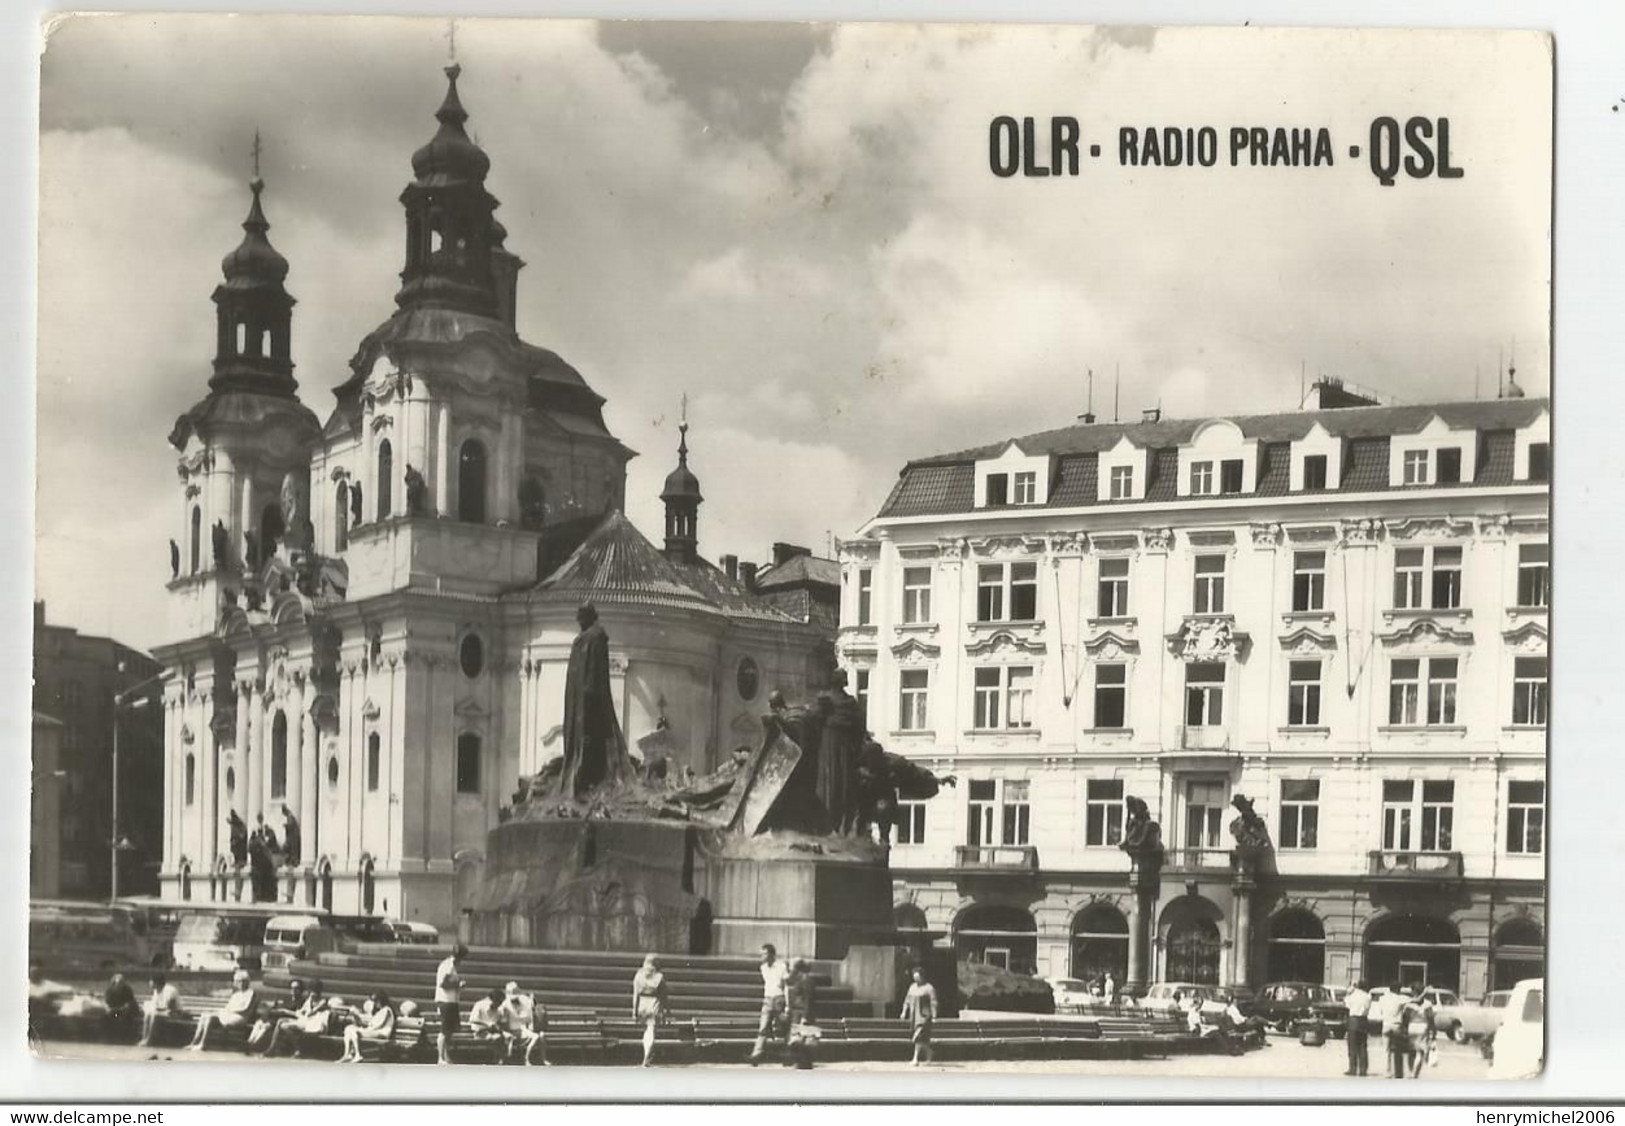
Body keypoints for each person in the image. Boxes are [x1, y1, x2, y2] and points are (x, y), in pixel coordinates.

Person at [187, 969, 259, 1050]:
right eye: (238, 981)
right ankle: (194, 1042)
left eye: (242, 981)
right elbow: (228, 1007)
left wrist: (229, 1011)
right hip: (230, 1015)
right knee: (206, 1016)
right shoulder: (236, 995)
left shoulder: (251, 993)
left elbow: (245, 1008)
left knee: (210, 1017)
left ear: (247, 982)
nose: (240, 983)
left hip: (240, 1017)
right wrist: (221, 1011)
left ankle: (203, 1044)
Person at [265, 978, 330, 1057]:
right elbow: (300, 1013)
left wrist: (302, 1011)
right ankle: (272, 1047)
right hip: (304, 1021)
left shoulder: (322, 1001)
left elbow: (310, 1013)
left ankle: (297, 1049)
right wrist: (286, 1011)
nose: (313, 994)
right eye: (311, 991)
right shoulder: (309, 1000)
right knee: (280, 1021)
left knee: (285, 1026)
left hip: (313, 1025)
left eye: (314, 991)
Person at [748, 944, 790, 1064]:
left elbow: (786, 986)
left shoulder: (781, 966)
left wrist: (787, 1004)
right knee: (763, 1027)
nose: (762, 956)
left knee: (784, 1028)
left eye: (764, 954)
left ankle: (788, 1054)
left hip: (778, 999)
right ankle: (756, 1054)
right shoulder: (763, 968)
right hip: (767, 999)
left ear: (771, 954)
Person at [632, 954, 670, 1068]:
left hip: (642, 1005)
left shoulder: (638, 976)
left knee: (646, 1031)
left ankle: (645, 1054)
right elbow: (664, 996)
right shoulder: (660, 977)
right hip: (655, 1004)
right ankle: (647, 1056)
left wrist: (634, 1011)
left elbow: (635, 995)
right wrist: (667, 1011)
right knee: (651, 1030)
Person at [498, 981, 549, 1066]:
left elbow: (530, 1016)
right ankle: (521, 1058)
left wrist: (528, 1025)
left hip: (524, 1029)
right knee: (534, 1036)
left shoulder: (525, 1000)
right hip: (513, 1030)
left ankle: (530, 1058)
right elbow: (503, 1022)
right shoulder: (505, 1004)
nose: (514, 1000)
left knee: (539, 1036)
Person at [338, 991, 396, 1062]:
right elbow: (369, 1024)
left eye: (376, 1001)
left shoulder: (387, 1010)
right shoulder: (379, 1011)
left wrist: (364, 1029)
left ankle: (357, 1054)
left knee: (354, 1031)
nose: (375, 1003)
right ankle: (347, 1054)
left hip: (381, 1033)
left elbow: (377, 1026)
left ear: (382, 1000)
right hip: (374, 1032)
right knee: (349, 1028)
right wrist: (356, 1016)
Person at [434, 943, 467, 1065]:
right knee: (444, 1030)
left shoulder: (450, 965)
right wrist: (458, 984)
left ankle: (445, 1056)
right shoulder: (448, 966)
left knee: (448, 1031)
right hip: (446, 1001)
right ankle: (440, 1057)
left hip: (451, 1001)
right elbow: (443, 984)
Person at [784, 958, 818, 1070]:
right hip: (797, 1013)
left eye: (792, 967)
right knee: (798, 1040)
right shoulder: (799, 979)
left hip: (802, 1014)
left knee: (803, 1040)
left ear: (797, 969)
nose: (790, 970)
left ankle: (804, 1064)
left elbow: (808, 1000)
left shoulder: (806, 980)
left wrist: (804, 1017)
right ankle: (800, 1063)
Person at [900, 966, 937, 1066]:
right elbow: (907, 1001)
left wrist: (934, 1016)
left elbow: (933, 1002)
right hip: (914, 1015)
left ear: (922, 976)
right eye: (914, 977)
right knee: (921, 1038)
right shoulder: (912, 987)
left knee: (918, 1036)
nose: (915, 979)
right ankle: (929, 1052)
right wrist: (904, 1012)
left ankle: (915, 1059)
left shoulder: (929, 988)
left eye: (917, 977)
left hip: (924, 1015)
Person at [1343, 979, 1372, 1076]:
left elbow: (1346, 1004)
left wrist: (1349, 992)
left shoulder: (1353, 996)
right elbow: (1368, 1008)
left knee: (1352, 1046)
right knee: (1363, 1046)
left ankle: (1353, 1068)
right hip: (1363, 1020)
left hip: (1353, 1020)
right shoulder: (1368, 996)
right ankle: (1363, 1069)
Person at [1383, 986, 1413, 1078]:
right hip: (1396, 1025)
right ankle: (1398, 1072)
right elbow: (1413, 1000)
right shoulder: (1400, 999)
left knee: (1386, 1050)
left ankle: (1387, 1072)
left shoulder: (1383, 998)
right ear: (1398, 989)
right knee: (1398, 1050)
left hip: (1386, 1024)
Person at [1407, 989, 1437, 1078]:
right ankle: (1415, 1073)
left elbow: (1405, 1017)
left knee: (1411, 1051)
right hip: (1423, 1027)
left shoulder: (1410, 1003)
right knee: (1420, 1052)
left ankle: (1410, 1070)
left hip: (1411, 1027)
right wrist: (1433, 1031)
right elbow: (1431, 1018)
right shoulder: (1427, 1004)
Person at [103, 972, 140, 1040]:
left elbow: (127, 1006)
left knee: (125, 1017)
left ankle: (124, 1037)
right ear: (114, 983)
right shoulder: (109, 991)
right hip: (115, 1013)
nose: (120, 986)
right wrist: (109, 1009)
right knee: (106, 1016)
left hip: (125, 1012)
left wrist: (114, 1009)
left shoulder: (127, 990)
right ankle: (107, 1036)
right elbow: (106, 1004)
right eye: (118, 984)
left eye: (121, 983)